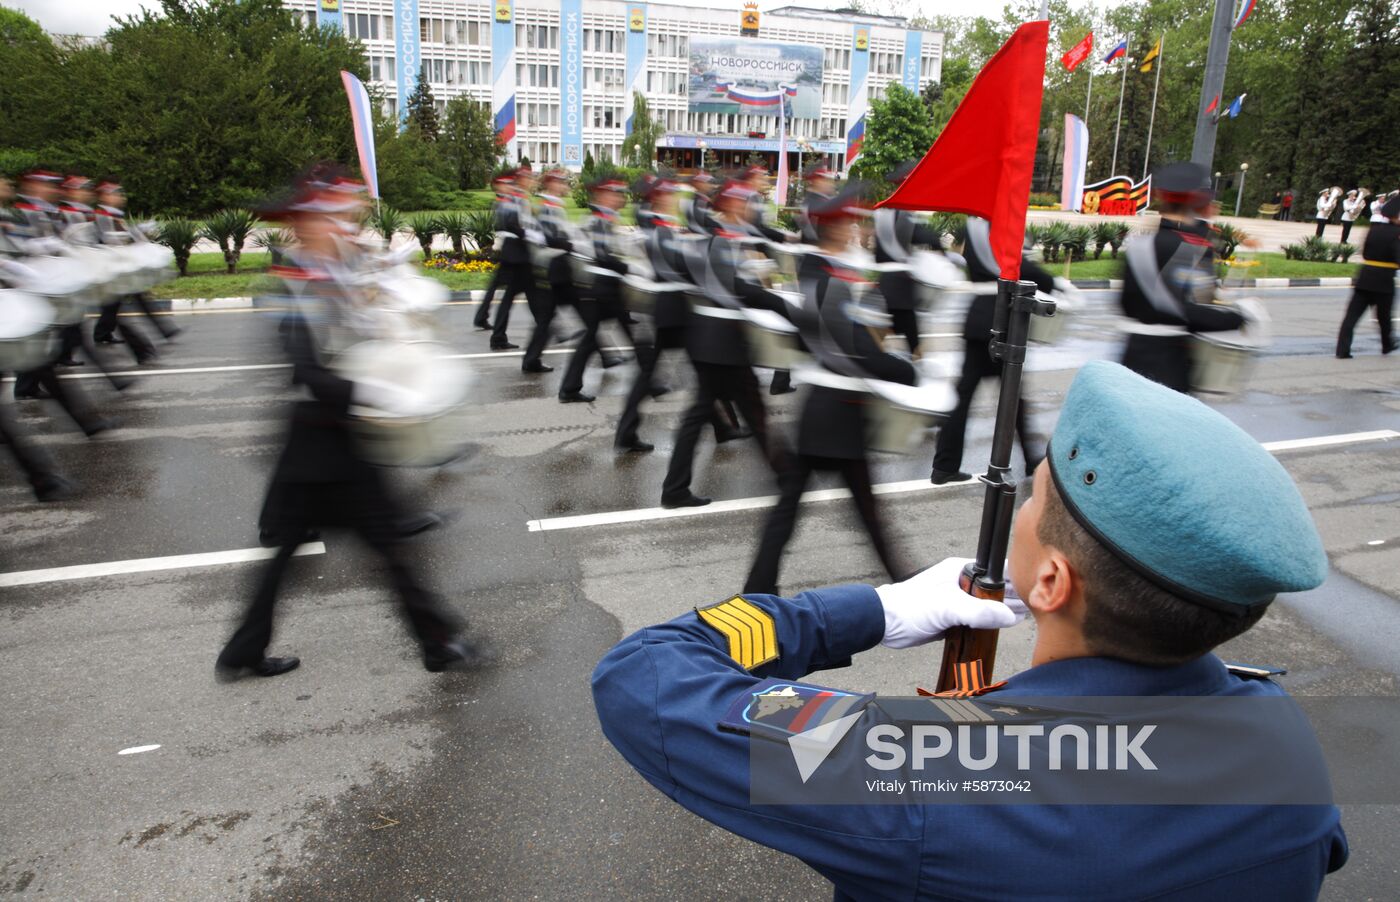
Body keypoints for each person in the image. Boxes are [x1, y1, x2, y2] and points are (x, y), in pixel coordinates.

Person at [594, 359, 1347, 899]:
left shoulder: (932, 770)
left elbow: (643, 674)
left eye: (1032, 500)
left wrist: (877, 611)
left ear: (1050, 581)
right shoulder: (1287, 749)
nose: (1018, 513)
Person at [216, 168, 491, 679]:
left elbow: (379, 324)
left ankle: (244, 651)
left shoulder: (341, 271)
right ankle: (439, 642)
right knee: (385, 549)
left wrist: (397, 297)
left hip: (335, 442)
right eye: (332, 217)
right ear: (304, 225)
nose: (345, 224)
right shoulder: (293, 284)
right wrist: (373, 388)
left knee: (304, 556)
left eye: (345, 215)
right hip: (324, 444)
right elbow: (306, 369)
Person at [744, 186, 916, 595]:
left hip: (821, 410)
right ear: (832, 227)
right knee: (866, 510)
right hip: (838, 413)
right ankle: (902, 580)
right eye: (847, 220)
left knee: (793, 510)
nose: (854, 226)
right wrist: (904, 371)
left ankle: (757, 589)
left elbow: (813, 335)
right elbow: (854, 349)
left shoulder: (815, 272)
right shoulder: (830, 281)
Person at [660, 178, 795, 509]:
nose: (752, 207)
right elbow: (740, 288)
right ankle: (787, 475)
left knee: (716, 414)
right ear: (732, 206)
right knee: (753, 413)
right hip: (723, 343)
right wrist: (787, 308)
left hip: (709, 340)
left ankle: (675, 488)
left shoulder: (717, 238)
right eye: (746, 202)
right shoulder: (721, 240)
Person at [928, 215, 1055, 485]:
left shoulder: (972, 226)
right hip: (1001, 320)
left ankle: (944, 465)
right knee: (1014, 400)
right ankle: (1032, 460)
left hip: (977, 319)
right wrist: (1050, 281)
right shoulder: (1000, 226)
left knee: (963, 399)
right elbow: (1017, 266)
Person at [1117, 162, 1245, 394]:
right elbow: (1193, 312)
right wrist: (1238, 317)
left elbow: (1124, 304)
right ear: (1199, 200)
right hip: (1170, 364)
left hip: (1131, 358)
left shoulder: (1138, 245)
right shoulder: (1193, 249)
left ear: (1161, 196)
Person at [557, 178, 633, 404]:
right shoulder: (598, 220)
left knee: (599, 338)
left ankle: (569, 388)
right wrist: (628, 268)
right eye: (615, 194)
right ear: (602, 196)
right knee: (596, 338)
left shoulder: (607, 219)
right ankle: (569, 389)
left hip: (604, 289)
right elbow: (602, 255)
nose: (620, 198)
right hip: (598, 290)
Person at [92, 180, 180, 345]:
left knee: (119, 302)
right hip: (112, 265)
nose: (120, 197)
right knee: (121, 301)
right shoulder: (102, 215)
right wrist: (136, 231)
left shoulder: (114, 215)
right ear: (104, 196)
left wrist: (138, 231)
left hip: (120, 266)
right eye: (115, 194)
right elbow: (109, 238)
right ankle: (165, 330)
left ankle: (103, 333)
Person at [872, 160, 942, 355]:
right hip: (900, 290)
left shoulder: (882, 212)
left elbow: (876, 253)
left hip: (884, 284)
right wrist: (941, 250)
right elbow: (926, 237)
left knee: (883, 332)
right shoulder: (905, 213)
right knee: (912, 340)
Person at [520, 168, 573, 374]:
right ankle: (531, 360)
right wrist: (568, 244)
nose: (564, 186)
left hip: (551, 266)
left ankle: (532, 359)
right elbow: (546, 237)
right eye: (561, 182)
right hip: (545, 268)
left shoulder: (553, 205)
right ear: (551, 183)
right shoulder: (546, 206)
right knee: (547, 318)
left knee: (548, 317)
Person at [1335, 193, 1398, 359]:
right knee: (1384, 317)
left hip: (1365, 276)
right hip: (1383, 280)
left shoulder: (1374, 229)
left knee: (1351, 317)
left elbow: (1365, 252)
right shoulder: (1397, 234)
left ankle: (1342, 350)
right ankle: (1387, 345)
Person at [488, 165, 542, 351]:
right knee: (528, 296)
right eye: (529, 178)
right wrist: (529, 234)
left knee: (522, 297)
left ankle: (499, 337)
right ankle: (546, 328)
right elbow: (511, 224)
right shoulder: (515, 198)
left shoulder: (520, 197)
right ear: (521, 180)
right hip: (517, 253)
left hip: (518, 253)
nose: (532, 181)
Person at [473, 174, 513, 330]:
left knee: (496, 285)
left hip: (507, 249)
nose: (509, 187)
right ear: (498, 187)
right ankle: (482, 317)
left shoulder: (505, 202)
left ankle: (481, 316)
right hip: (507, 248)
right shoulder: (502, 203)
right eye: (506, 185)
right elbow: (502, 226)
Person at [795, 166, 835, 245]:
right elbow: (813, 235)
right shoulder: (818, 204)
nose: (831, 184)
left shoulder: (811, 201)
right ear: (818, 182)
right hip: (818, 249)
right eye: (827, 180)